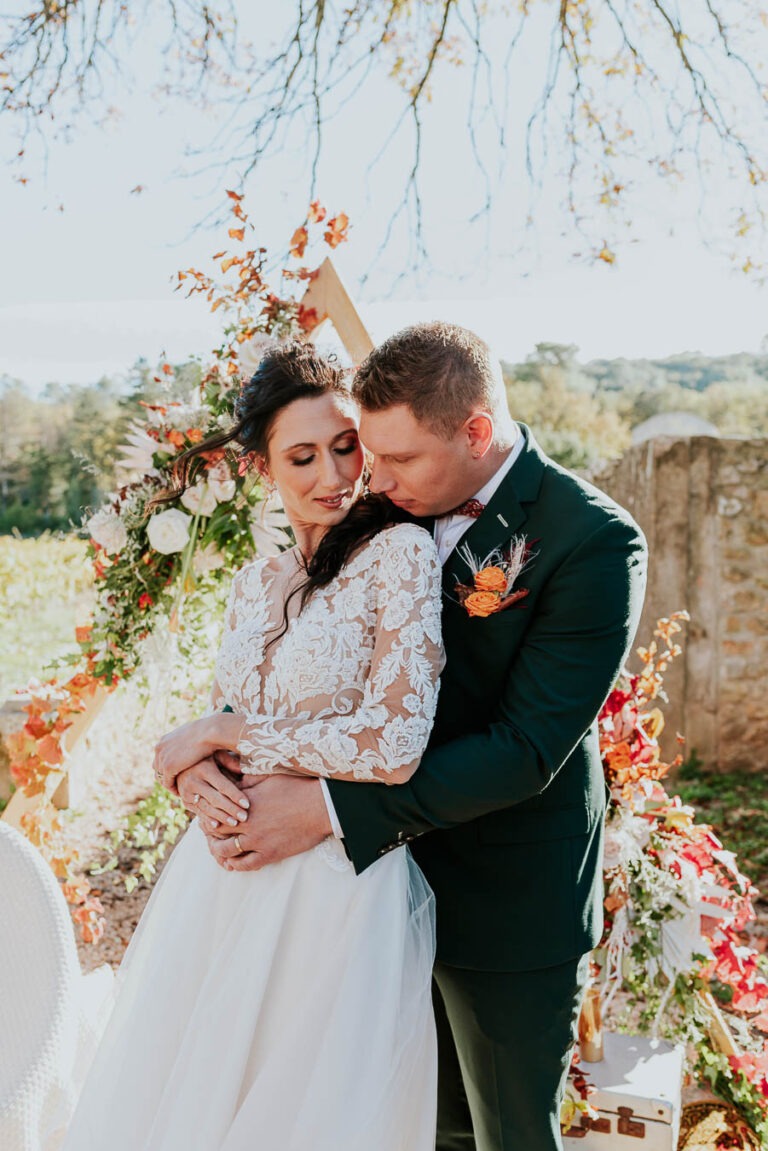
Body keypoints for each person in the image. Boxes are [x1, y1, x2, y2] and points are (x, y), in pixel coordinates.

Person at [184, 322, 649, 1151]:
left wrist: (333, 811)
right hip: (366, 899)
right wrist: (201, 762)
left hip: (502, 898)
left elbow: (524, 749)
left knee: (500, 1132)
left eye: (397, 459)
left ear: (476, 432)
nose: (372, 477)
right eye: (372, 452)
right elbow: (289, 677)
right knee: (401, 1123)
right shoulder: (368, 508)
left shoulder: (593, 542)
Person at [62, 343, 444, 1151]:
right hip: (221, 882)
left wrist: (227, 733)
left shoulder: (399, 556)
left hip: (335, 888)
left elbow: (396, 741)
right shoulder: (253, 582)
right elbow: (225, 714)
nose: (331, 475)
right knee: (197, 1097)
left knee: (307, 1114)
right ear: (263, 466)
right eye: (302, 456)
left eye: (345, 447)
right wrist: (197, 768)